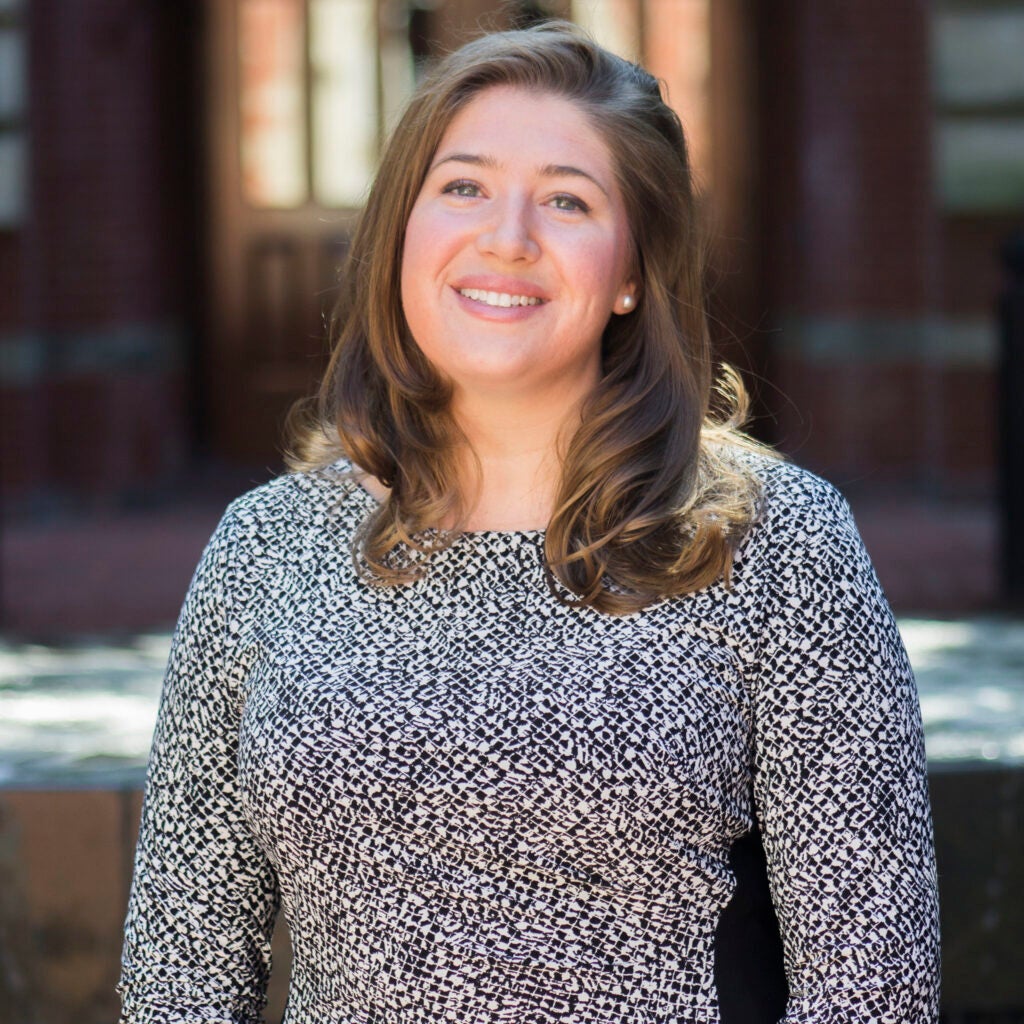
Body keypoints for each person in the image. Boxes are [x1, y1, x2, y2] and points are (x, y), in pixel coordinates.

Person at [118, 21, 940, 1024]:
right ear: (402, 232)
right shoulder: (266, 544)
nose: (506, 234)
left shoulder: (779, 538)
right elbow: (181, 964)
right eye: (462, 186)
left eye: (567, 199)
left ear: (633, 271)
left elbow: (873, 980)